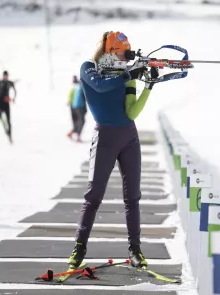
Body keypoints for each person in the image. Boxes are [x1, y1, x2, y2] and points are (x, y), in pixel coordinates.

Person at [67, 31, 156, 269]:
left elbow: (131, 112)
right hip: (105, 137)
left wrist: (147, 85)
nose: (125, 58)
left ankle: (135, 250)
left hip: (129, 136)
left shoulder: (126, 75)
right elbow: (99, 85)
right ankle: (79, 248)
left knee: (133, 197)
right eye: (122, 53)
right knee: (93, 195)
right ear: (110, 50)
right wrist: (128, 73)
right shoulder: (88, 68)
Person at [0, 61, 17, 144]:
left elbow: (15, 92)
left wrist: (12, 99)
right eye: (4, 76)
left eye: (6, 76)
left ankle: (10, 137)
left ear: (8, 76)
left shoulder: (10, 83)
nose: (5, 77)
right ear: (3, 76)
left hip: (6, 104)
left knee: (9, 122)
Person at [67, 75, 87, 142]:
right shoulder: (82, 87)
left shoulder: (76, 86)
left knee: (78, 121)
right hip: (79, 106)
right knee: (82, 121)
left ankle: (71, 133)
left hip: (74, 106)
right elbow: (84, 98)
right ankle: (78, 136)